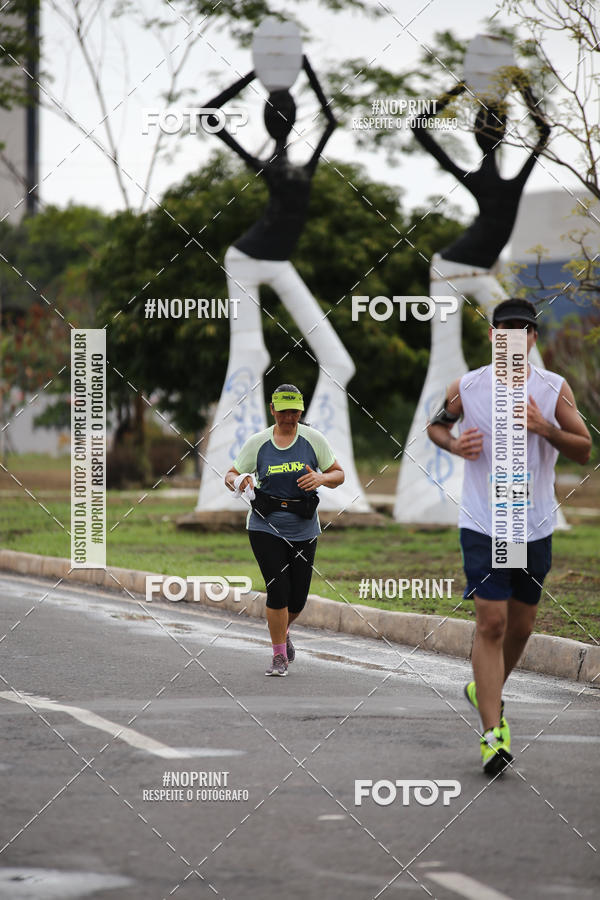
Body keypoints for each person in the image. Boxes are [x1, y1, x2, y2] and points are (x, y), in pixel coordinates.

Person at [426, 298, 591, 775]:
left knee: (520, 628)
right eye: (506, 328)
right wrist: (455, 444)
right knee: (492, 624)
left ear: (534, 338)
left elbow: (583, 449)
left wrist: (546, 428)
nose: (515, 336)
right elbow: (437, 426)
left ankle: (485, 689)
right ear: (494, 336)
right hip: (483, 521)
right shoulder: (468, 386)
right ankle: (493, 730)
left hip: (530, 523)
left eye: (524, 329)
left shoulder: (553, 388)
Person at [224, 384, 345, 676]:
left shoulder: (313, 440)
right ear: (272, 410)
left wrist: (320, 478)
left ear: (301, 412)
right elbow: (231, 473)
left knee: (298, 597)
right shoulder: (259, 442)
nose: (289, 418)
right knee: (277, 589)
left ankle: (282, 632)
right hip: (265, 525)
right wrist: (239, 482)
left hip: (303, 526)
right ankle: (279, 655)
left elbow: (339, 475)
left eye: (295, 412)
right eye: (284, 412)